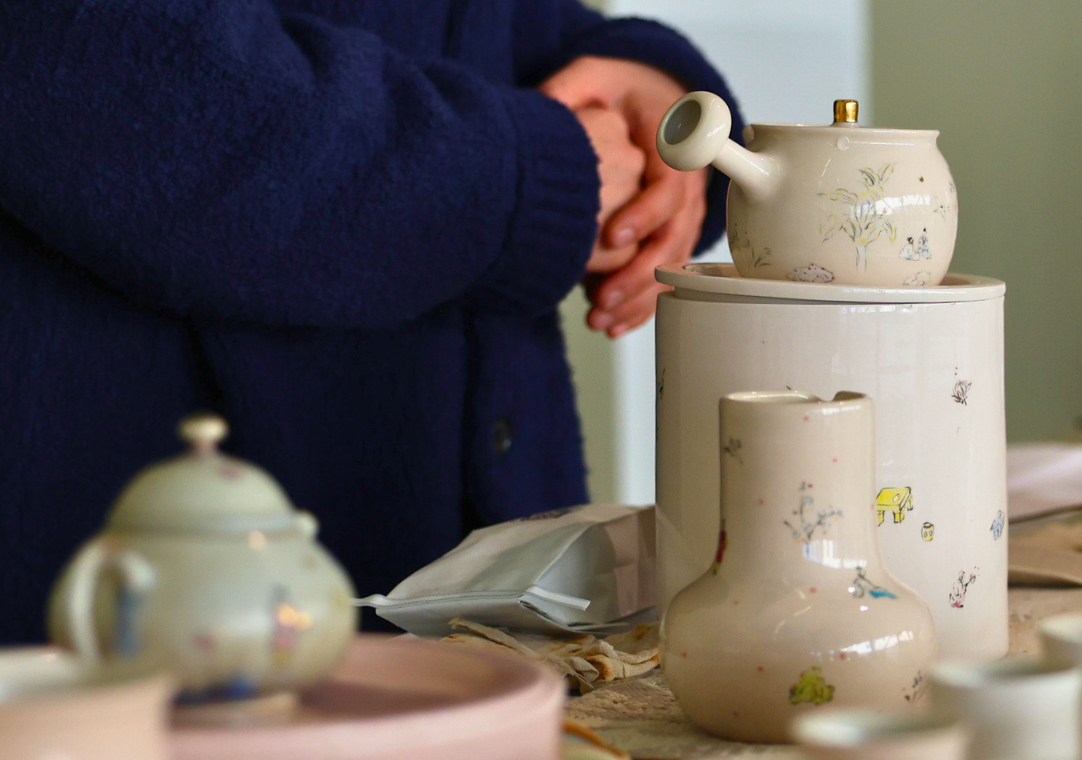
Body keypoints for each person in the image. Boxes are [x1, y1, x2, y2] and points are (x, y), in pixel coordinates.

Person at [0, 0, 740, 643]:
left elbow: (480, 28)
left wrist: (653, 95)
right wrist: (530, 172)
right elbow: (112, 69)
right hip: (159, 590)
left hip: (481, 579)